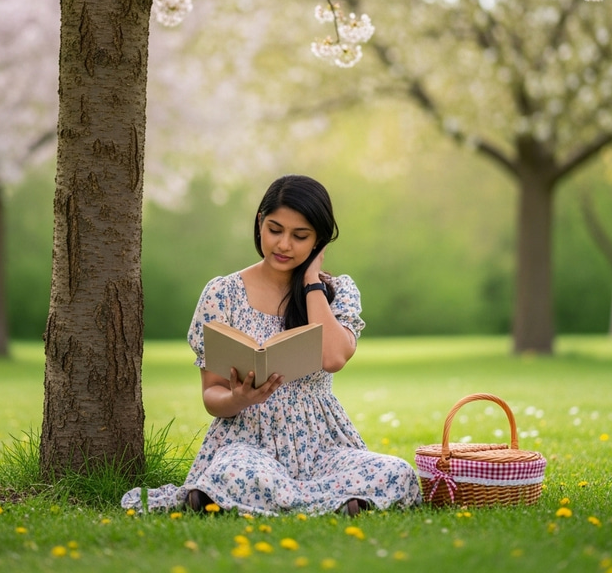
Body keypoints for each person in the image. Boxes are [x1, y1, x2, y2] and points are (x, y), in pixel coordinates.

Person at [121, 174, 422, 516]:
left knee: (396, 473)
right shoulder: (223, 294)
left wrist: (311, 284)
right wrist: (237, 398)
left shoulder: (338, 291)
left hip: (322, 447)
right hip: (248, 442)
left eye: (300, 236)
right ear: (260, 223)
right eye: (275, 229)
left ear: (319, 242)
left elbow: (334, 357)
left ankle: (240, 500)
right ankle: (334, 504)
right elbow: (211, 395)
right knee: (233, 472)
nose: (284, 245)